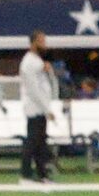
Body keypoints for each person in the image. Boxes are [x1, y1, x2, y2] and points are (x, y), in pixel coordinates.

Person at [18, 30, 63, 185]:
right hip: (34, 107)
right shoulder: (29, 62)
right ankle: (25, 175)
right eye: (41, 41)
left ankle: (42, 175)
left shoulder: (37, 61)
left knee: (40, 142)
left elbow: (45, 85)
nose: (44, 44)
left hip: (40, 106)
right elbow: (33, 89)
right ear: (33, 43)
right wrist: (46, 109)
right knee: (32, 141)